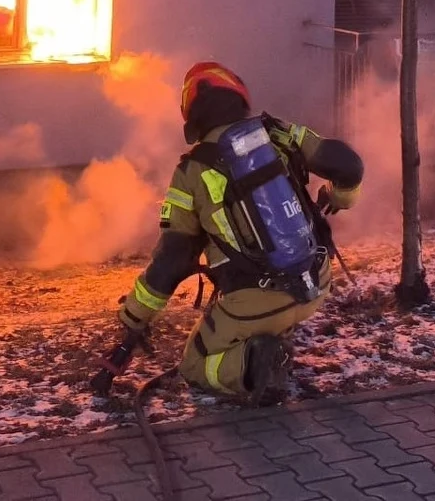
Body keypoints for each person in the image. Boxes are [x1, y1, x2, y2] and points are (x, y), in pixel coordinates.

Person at [110, 61, 364, 405]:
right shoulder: (277, 133)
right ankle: (270, 340)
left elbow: (172, 260)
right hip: (314, 284)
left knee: (195, 365)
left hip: (255, 302)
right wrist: (340, 197)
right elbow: (348, 164)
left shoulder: (192, 171)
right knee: (265, 315)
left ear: (192, 117)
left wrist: (135, 316)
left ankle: (257, 365)